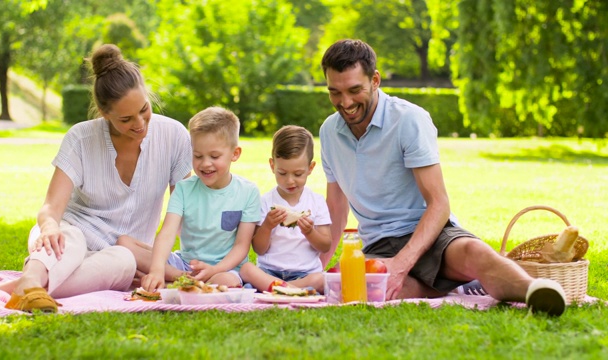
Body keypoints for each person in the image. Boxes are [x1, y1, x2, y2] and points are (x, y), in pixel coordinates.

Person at [317, 39, 566, 316]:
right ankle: (453, 284)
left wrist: (402, 264)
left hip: (432, 234)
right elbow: (336, 211)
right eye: (335, 92)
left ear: (375, 80)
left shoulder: (408, 120)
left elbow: (438, 203)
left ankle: (536, 291)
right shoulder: (329, 132)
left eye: (354, 90)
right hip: (379, 245)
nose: (345, 102)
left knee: (475, 252)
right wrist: (316, 266)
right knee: (361, 291)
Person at [0, 44, 193, 312]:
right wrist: (50, 226)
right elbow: (52, 207)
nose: (140, 124)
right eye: (126, 119)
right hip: (67, 238)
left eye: (144, 109)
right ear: (104, 113)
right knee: (67, 237)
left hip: (122, 253)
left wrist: (174, 263)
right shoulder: (81, 138)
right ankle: (29, 285)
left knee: (124, 260)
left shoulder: (175, 136)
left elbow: (183, 211)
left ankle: (19, 287)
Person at [119, 106, 261, 291]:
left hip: (224, 268)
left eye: (214, 156)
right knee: (124, 243)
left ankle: (183, 283)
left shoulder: (248, 192)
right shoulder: (184, 189)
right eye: (197, 156)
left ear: (235, 154)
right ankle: (181, 279)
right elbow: (168, 232)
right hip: (185, 265)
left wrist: (214, 269)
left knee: (228, 282)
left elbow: (242, 246)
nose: (205, 163)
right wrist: (156, 269)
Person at [239, 125, 332, 293]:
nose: (290, 181)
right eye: (282, 173)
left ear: (310, 168)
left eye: (298, 174)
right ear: (272, 165)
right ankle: (291, 290)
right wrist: (267, 225)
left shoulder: (316, 201)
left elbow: (325, 245)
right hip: (269, 271)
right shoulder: (265, 201)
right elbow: (259, 249)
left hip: (304, 274)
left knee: (320, 278)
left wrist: (310, 232)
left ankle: (277, 290)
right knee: (246, 268)